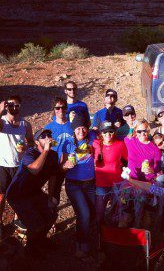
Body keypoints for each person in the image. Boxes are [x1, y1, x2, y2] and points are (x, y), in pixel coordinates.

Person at [6, 128, 60, 258]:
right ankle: (30, 249)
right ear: (36, 141)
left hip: (34, 192)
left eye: (49, 135)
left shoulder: (53, 155)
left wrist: (51, 196)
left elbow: (53, 177)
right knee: (35, 223)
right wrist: (46, 150)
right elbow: (34, 170)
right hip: (18, 194)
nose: (48, 138)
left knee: (51, 215)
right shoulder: (30, 153)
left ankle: (41, 240)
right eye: (44, 136)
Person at [61, 115, 96, 259]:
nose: (81, 130)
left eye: (83, 127)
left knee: (92, 213)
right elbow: (61, 166)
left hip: (90, 183)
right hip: (74, 185)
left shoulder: (92, 139)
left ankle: (86, 237)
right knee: (85, 214)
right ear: (73, 130)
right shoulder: (68, 143)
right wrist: (65, 166)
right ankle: (81, 245)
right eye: (78, 128)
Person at [0, 95, 34, 238]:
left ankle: (17, 220)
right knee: (1, 197)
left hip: (18, 166)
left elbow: (31, 142)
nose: (14, 108)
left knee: (18, 196)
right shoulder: (2, 123)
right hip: (2, 165)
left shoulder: (25, 125)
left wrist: (26, 146)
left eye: (17, 105)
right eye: (11, 105)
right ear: (6, 106)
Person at [120, 119, 161, 227]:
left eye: (145, 130)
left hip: (147, 185)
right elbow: (128, 135)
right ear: (135, 132)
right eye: (139, 131)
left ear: (148, 130)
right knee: (127, 216)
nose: (142, 133)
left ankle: (144, 240)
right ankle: (122, 240)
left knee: (146, 216)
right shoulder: (130, 141)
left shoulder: (155, 148)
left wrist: (152, 170)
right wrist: (132, 127)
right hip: (131, 183)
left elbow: (158, 168)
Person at [93, 121, 128, 224]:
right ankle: (99, 233)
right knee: (99, 212)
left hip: (117, 183)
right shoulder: (95, 144)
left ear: (115, 132)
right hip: (101, 183)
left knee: (116, 212)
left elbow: (127, 161)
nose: (108, 134)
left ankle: (113, 233)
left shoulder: (120, 144)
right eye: (104, 132)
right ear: (100, 133)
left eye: (111, 132)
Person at [45, 97, 73, 204]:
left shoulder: (72, 125)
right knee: (54, 192)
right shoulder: (49, 127)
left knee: (73, 191)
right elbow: (45, 145)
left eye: (63, 107)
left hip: (72, 161)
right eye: (57, 108)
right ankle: (51, 210)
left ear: (66, 108)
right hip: (56, 163)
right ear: (54, 109)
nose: (61, 110)